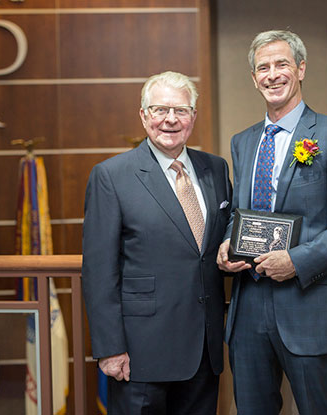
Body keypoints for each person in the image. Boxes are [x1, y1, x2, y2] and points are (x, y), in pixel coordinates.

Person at [217, 30, 327, 414]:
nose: (272, 75)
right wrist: (226, 243)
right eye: (263, 68)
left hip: (310, 302)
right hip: (249, 304)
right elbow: (242, 211)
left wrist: (297, 261)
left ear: (301, 69)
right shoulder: (243, 141)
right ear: (254, 79)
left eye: (282, 64)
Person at [82, 71, 232, 414]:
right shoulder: (112, 175)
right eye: (159, 109)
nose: (170, 119)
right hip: (140, 354)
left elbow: (222, 236)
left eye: (181, 110)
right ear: (143, 115)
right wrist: (110, 348)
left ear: (193, 116)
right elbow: (98, 270)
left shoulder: (216, 169)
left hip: (204, 349)